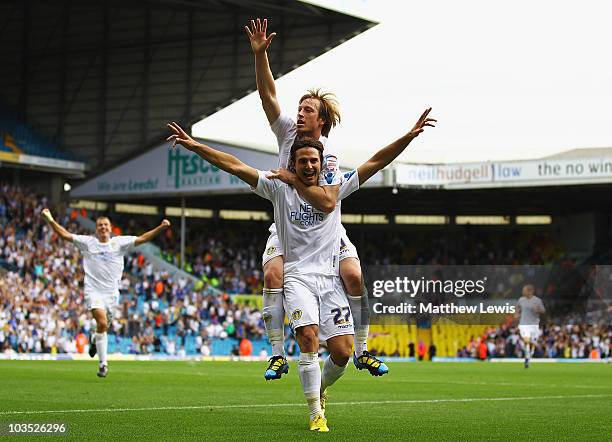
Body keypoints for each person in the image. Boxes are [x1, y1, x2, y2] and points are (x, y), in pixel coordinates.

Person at [166, 106, 435, 431]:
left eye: (313, 161)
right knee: (308, 338)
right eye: (302, 161)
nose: (309, 165)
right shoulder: (277, 188)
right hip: (297, 279)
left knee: (342, 353)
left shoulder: (335, 189)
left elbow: (376, 162)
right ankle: (315, 415)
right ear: (292, 163)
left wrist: (407, 136)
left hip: (330, 281)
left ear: (321, 165)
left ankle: (321, 389)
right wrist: (196, 146)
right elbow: (235, 165)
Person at [245, 18, 382, 379]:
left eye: (307, 110)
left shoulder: (330, 156)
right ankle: (277, 354)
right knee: (272, 272)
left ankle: (363, 351)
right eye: (300, 108)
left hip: (324, 229)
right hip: (289, 224)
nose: (299, 113)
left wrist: (292, 178)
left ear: (321, 122)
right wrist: (261, 56)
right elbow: (267, 95)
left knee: (353, 273)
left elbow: (327, 201)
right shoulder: (288, 131)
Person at [41, 209, 171, 377]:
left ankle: (95, 339)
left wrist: (160, 227)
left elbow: (142, 238)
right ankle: (103, 365)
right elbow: (65, 235)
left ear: (110, 228)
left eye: (105, 225)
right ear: (96, 229)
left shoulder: (119, 243)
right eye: (100, 225)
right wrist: (50, 219)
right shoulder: (88, 243)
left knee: (103, 327)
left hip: (111, 294)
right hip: (93, 291)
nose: (103, 227)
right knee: (102, 323)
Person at [516, 283, 546, 368]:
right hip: (523, 324)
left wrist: (537, 310)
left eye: (524, 290)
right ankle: (527, 356)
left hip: (534, 325)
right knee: (526, 341)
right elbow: (517, 307)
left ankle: (529, 356)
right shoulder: (521, 300)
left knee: (532, 343)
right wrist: (516, 313)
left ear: (530, 291)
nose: (523, 292)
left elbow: (543, 311)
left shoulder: (537, 300)